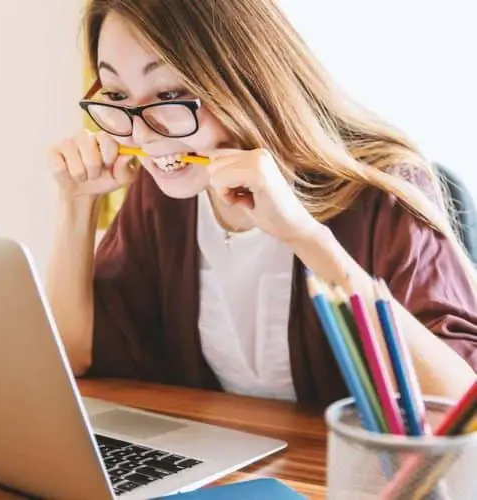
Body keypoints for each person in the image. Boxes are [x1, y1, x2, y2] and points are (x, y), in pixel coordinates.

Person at [47, 0, 476, 407]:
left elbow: (460, 407)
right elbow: (73, 355)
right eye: (119, 96)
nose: (141, 136)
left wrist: (305, 237)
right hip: (227, 471)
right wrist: (77, 204)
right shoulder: (163, 195)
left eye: (169, 94)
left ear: (245, 79)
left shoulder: (384, 189)